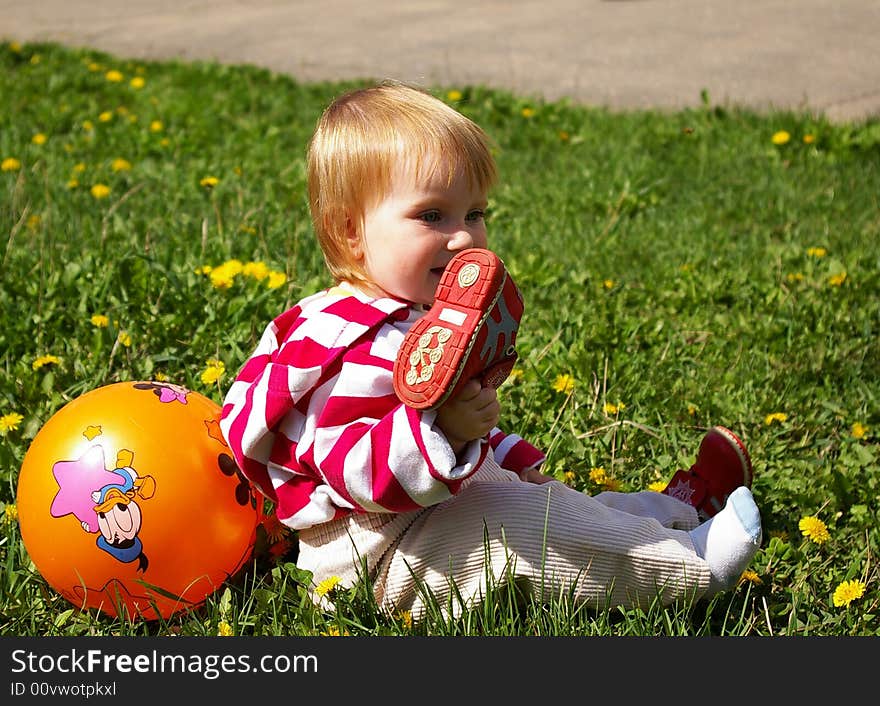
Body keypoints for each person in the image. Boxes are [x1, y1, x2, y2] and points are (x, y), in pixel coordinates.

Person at [219, 80, 762, 619]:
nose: (463, 239)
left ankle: (677, 512)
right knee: (530, 531)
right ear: (350, 231)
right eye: (432, 215)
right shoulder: (343, 346)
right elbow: (353, 471)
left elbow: (450, 414)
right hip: (373, 552)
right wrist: (450, 433)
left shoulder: (421, 319)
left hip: (433, 506)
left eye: (474, 214)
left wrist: (508, 457)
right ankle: (692, 564)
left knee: (557, 509)